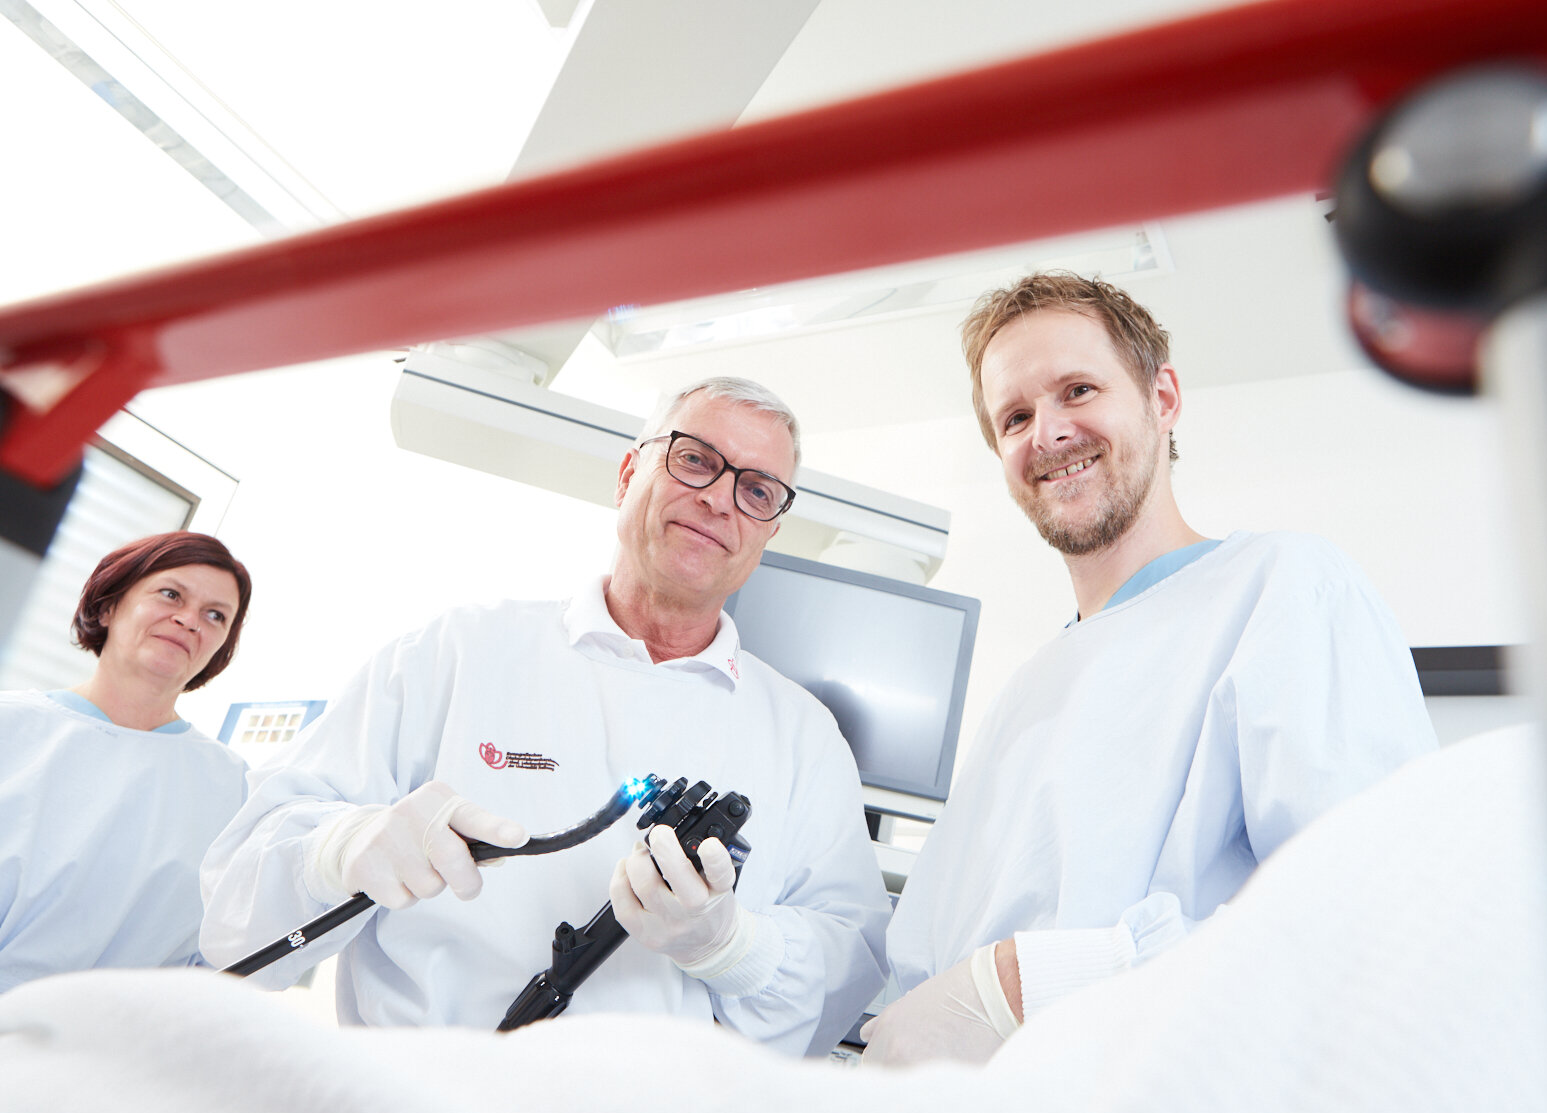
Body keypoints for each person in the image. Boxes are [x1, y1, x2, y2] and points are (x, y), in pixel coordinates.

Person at [200, 376, 891, 1054]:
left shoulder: (804, 737)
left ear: (769, 532)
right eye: (694, 459)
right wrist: (336, 849)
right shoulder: (457, 652)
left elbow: (849, 964)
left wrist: (733, 945)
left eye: (758, 490)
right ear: (628, 474)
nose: (718, 499)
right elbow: (235, 911)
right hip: (411, 1102)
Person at [862, 273, 1438, 1064]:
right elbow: (927, 974)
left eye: (1078, 390)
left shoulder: (1283, 588)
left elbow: (1373, 910)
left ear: (1162, 397)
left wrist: (1030, 981)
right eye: (1016, 417)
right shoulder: (1023, 696)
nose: (1048, 433)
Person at [0, 531, 253, 992]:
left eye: (215, 615)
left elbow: (220, 951)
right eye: (171, 594)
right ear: (109, 606)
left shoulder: (235, 788)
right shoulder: (11, 726)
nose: (189, 620)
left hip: (120, 1031)